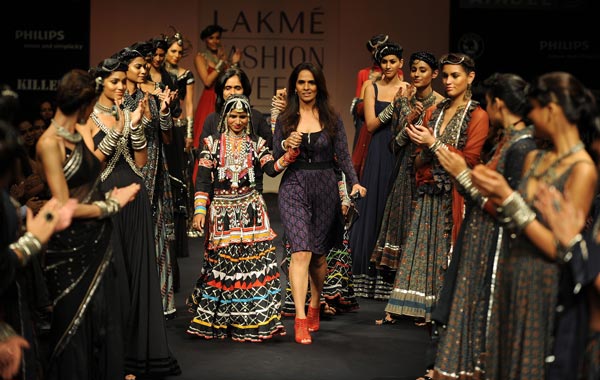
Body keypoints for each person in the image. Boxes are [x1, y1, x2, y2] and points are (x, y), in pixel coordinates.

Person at [471, 71, 598, 379]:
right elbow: (510, 219)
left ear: (551, 109)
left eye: (534, 108)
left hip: (545, 283)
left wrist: (508, 197)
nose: (529, 115)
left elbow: (561, 248)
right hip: (513, 271)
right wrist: (478, 187)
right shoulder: (535, 159)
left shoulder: (583, 170)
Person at [35, 68, 141, 380]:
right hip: (69, 250)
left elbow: (92, 172)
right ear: (84, 105)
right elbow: (64, 206)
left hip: (98, 239)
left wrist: (126, 126)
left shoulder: (78, 133)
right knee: (73, 323)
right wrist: (111, 204)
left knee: (103, 316)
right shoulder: (49, 143)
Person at [430, 73, 536, 380]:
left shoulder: (521, 147)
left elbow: (508, 209)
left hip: (494, 243)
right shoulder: (507, 141)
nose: (486, 108)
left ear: (498, 104)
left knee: (482, 313)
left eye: (488, 102)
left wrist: (463, 176)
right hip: (480, 237)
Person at [86, 54, 181, 379]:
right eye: (115, 82)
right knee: (113, 278)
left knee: (138, 276)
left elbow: (140, 162)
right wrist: (121, 127)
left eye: (123, 83)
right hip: (105, 200)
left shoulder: (129, 111)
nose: (120, 87)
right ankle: (112, 356)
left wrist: (136, 125)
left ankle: (135, 357)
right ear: (102, 83)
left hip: (135, 199)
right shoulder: (88, 118)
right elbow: (93, 165)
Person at [383, 53, 489, 326]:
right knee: (421, 247)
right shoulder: (434, 112)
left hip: (457, 194)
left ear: (470, 77)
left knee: (445, 251)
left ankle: (441, 309)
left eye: (455, 75)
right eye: (445, 76)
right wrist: (427, 150)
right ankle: (415, 307)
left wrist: (433, 144)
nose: (449, 81)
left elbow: (471, 160)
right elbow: (416, 160)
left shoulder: (477, 115)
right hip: (429, 190)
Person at [273, 62, 366, 344]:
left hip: (325, 185)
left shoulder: (332, 117)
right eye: (301, 82)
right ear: (294, 86)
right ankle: (300, 318)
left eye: (311, 82)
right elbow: (274, 155)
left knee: (318, 256)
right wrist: (287, 144)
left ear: (319, 86)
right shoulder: (285, 119)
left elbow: (344, 156)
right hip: (294, 184)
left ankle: (315, 303)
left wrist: (354, 183)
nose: (306, 87)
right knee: (300, 251)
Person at [186, 94, 290, 342]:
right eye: (233, 115)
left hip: (251, 211)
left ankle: (253, 321)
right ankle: (222, 321)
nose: (238, 120)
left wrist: (289, 154)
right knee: (223, 268)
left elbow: (271, 168)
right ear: (224, 117)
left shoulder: (256, 144)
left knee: (252, 268)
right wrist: (200, 211)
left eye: (243, 116)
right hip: (221, 212)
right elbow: (202, 180)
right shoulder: (211, 145)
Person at [370, 51, 444, 323]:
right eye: (414, 69)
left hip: (430, 173)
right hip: (405, 173)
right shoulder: (402, 101)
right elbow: (394, 144)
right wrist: (411, 119)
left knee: (424, 237)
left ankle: (426, 307)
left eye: (423, 69)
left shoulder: (442, 104)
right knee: (403, 235)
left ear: (434, 74)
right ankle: (397, 306)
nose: (417, 74)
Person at [349, 42, 409, 299]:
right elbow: (371, 124)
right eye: (384, 62)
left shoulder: (408, 88)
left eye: (392, 62)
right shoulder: (370, 86)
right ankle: (363, 275)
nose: (387, 66)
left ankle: (390, 277)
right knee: (371, 206)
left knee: (392, 207)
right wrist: (394, 108)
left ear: (401, 64)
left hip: (399, 151)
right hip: (377, 151)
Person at [162, 28, 197, 242]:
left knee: (182, 172)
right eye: (173, 51)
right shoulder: (153, 74)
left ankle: (182, 221)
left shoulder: (186, 75)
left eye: (179, 52)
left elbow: (190, 104)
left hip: (179, 125)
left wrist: (190, 133)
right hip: (161, 126)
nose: (176, 55)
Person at [192, 24, 241, 148]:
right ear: (205, 40)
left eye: (217, 38)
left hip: (224, 97)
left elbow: (231, 79)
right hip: (209, 99)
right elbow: (207, 81)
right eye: (211, 38)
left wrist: (234, 63)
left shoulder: (222, 58)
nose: (215, 41)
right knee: (207, 137)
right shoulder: (200, 57)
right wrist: (222, 62)